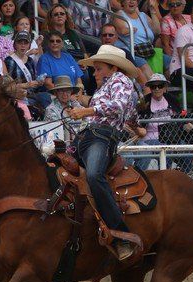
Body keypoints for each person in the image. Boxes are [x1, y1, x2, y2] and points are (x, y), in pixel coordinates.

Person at [70, 44, 144, 260]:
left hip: (101, 137)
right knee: (61, 166)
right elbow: (127, 111)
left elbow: (119, 105)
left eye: (98, 68)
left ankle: (121, 233)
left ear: (112, 67)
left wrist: (87, 110)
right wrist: (136, 127)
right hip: (88, 137)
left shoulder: (121, 80)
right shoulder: (109, 86)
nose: (95, 73)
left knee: (94, 175)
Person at [135, 73, 181, 169]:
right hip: (150, 138)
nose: (157, 89)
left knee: (185, 147)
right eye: (153, 86)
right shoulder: (144, 102)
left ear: (165, 88)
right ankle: (165, 174)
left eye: (160, 86)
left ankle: (186, 173)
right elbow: (138, 122)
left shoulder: (171, 99)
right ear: (150, 88)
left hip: (171, 137)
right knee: (164, 148)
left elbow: (182, 114)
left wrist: (186, 123)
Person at [114, 0, 158, 79]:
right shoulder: (119, 14)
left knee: (168, 62)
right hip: (131, 52)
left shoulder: (143, 15)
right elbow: (122, 30)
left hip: (147, 50)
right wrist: (130, 29)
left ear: (137, 3)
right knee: (145, 67)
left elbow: (157, 31)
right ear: (123, 2)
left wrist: (152, 12)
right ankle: (155, 88)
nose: (131, 1)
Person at [4, 30, 44, 108]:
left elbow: (33, 80)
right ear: (15, 45)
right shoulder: (10, 61)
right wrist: (27, 85)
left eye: (25, 43)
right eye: (20, 43)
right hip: (17, 96)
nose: (23, 46)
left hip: (32, 95)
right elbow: (7, 86)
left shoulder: (30, 61)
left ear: (29, 46)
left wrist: (38, 82)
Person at [160, 0, 189, 69]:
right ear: (169, 7)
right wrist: (173, 62)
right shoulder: (166, 20)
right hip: (176, 55)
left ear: (183, 6)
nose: (175, 7)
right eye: (171, 5)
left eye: (178, 4)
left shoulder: (189, 18)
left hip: (192, 53)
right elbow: (165, 45)